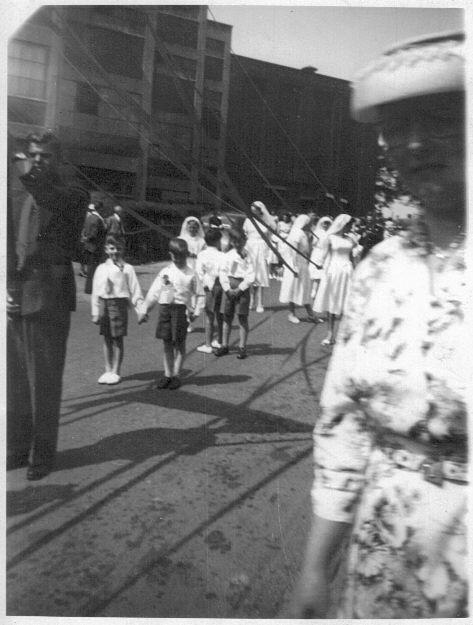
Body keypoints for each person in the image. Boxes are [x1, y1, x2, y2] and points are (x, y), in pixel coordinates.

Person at [292, 31, 467, 618]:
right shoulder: (378, 268)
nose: (415, 142)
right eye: (396, 128)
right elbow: (345, 426)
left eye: (442, 119)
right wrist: (315, 571)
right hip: (382, 554)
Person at [7, 131, 88, 480]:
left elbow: (50, 198)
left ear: (59, 160)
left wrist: (24, 172)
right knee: (15, 381)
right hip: (20, 292)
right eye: (34, 154)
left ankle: (42, 454)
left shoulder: (73, 194)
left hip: (50, 293)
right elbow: (10, 238)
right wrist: (8, 283)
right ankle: (16, 448)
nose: (38, 160)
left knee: (43, 381)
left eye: (46, 156)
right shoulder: (21, 194)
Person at [91, 234, 146, 385]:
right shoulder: (100, 268)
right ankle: (107, 369)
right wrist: (95, 312)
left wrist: (140, 310)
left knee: (117, 338)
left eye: (118, 248)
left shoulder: (127, 268)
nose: (115, 251)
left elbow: (135, 290)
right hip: (104, 304)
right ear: (106, 249)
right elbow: (96, 291)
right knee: (106, 337)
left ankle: (116, 370)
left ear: (122, 250)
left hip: (119, 304)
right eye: (112, 248)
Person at [143, 238, 196, 390]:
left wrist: (195, 310)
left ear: (186, 255)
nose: (179, 260)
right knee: (167, 343)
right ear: (170, 255)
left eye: (182, 256)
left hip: (180, 310)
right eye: (176, 256)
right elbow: (154, 292)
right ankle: (168, 374)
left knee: (179, 344)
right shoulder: (165, 272)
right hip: (165, 309)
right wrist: (145, 309)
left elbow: (199, 293)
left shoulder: (191, 273)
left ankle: (176, 375)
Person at [312, 213, 355, 345]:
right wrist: (319, 264)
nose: (351, 228)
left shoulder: (351, 239)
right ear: (342, 225)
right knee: (332, 302)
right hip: (334, 272)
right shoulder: (330, 238)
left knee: (346, 303)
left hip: (347, 272)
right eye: (349, 225)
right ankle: (330, 335)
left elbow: (352, 257)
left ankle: (343, 335)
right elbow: (323, 255)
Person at [216, 228, 255, 359]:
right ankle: (224, 345)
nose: (238, 244)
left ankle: (242, 347)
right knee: (226, 317)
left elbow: (251, 275)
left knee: (242, 317)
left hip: (242, 289)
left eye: (241, 241)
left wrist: (240, 288)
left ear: (244, 241)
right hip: (229, 287)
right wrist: (227, 288)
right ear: (232, 242)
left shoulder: (249, 255)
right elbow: (222, 272)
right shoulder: (227, 256)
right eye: (235, 242)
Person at [279, 214, 316, 324]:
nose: (310, 225)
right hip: (295, 264)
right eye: (308, 223)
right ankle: (291, 314)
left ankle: (310, 314)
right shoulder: (296, 233)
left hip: (302, 264)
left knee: (304, 288)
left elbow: (307, 251)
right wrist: (294, 267)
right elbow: (294, 250)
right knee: (293, 288)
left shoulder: (303, 233)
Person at [195, 228, 224, 353]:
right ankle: (220, 341)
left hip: (208, 287)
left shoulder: (202, 255)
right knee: (220, 315)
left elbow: (199, 273)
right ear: (218, 241)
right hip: (221, 285)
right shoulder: (223, 255)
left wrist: (203, 285)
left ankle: (208, 344)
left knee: (209, 315)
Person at [243, 201, 271, 313]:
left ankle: (260, 302)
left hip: (261, 247)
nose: (253, 211)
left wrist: (267, 253)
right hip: (250, 247)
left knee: (261, 275)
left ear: (260, 211)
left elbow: (268, 237)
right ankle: (251, 300)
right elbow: (246, 235)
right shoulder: (247, 221)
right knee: (250, 273)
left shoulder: (266, 222)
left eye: (255, 210)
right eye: (252, 209)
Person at [179, 216, 206, 330]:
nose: (192, 229)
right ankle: (186, 320)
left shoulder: (202, 241)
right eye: (190, 227)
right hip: (186, 266)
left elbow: (205, 254)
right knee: (186, 293)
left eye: (195, 227)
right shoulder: (182, 239)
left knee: (196, 293)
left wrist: (199, 256)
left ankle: (191, 319)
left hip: (197, 267)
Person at [82, 202, 106, 294]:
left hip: (89, 247)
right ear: (99, 209)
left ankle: (89, 288)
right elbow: (94, 234)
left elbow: (85, 230)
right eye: (102, 209)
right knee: (93, 269)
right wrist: (88, 238)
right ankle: (90, 289)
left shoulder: (89, 217)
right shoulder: (97, 219)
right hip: (95, 247)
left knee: (90, 268)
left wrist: (85, 238)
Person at [309, 216, 332, 300]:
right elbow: (313, 244)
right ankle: (314, 291)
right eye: (324, 223)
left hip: (326, 254)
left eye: (327, 224)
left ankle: (321, 293)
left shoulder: (330, 233)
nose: (325, 225)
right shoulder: (317, 232)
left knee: (324, 274)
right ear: (321, 224)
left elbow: (329, 246)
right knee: (316, 273)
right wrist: (315, 241)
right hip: (317, 253)